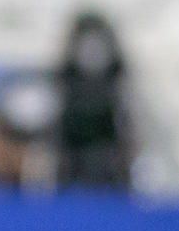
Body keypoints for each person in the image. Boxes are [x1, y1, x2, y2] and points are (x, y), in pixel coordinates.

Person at [53, 10, 136, 191]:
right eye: (86, 46)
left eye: (98, 46)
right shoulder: (64, 84)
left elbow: (129, 133)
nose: (92, 53)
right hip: (71, 171)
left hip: (112, 174)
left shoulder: (120, 85)